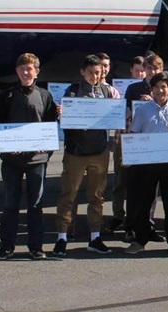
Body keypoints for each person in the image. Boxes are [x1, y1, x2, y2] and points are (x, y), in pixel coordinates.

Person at [0, 53, 58, 260]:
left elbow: (51, 127)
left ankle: (36, 247)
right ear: (17, 71)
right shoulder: (6, 96)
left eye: (30, 69)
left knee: (35, 206)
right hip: (11, 161)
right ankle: (6, 246)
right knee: (10, 204)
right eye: (22, 69)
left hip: (36, 162)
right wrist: (6, 146)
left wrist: (45, 150)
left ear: (37, 72)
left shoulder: (45, 96)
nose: (26, 73)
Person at [53, 54, 116, 256]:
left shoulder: (106, 91)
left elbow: (113, 118)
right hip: (76, 153)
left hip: (99, 152)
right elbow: (65, 121)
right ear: (82, 71)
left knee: (97, 197)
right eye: (90, 72)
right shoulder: (72, 91)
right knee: (68, 195)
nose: (94, 76)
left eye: (98, 73)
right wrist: (62, 114)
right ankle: (62, 237)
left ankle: (95, 237)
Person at [125, 73, 168, 255]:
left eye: (164, 87)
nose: (160, 90)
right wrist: (130, 155)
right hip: (147, 164)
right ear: (151, 90)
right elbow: (135, 134)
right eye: (156, 87)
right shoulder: (143, 110)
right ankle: (140, 240)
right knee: (144, 202)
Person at [122, 55, 168, 242]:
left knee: (152, 191)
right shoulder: (133, 88)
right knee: (134, 188)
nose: (152, 72)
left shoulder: (165, 89)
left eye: (156, 69)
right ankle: (130, 227)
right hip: (137, 144)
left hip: (156, 145)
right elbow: (125, 115)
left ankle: (148, 226)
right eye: (149, 69)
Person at [108, 55, 146, 234]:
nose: (140, 73)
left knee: (139, 183)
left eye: (143, 69)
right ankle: (117, 215)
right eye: (137, 69)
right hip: (122, 137)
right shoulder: (122, 88)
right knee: (120, 180)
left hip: (142, 140)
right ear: (131, 70)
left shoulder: (152, 88)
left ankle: (138, 218)